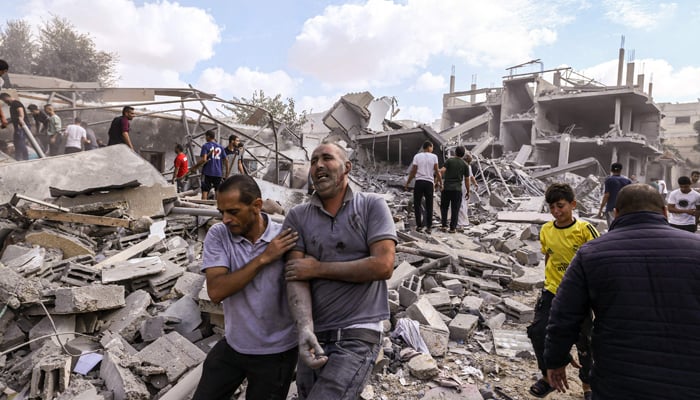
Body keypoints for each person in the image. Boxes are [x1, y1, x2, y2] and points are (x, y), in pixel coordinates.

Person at [545, 184, 700, 399]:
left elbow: (564, 315)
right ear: (665, 211)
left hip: (618, 380)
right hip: (689, 380)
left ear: (616, 213)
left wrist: (555, 360)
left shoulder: (591, 254)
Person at [283, 142, 397, 399]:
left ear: (347, 167)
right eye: (313, 161)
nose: (319, 165)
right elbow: (295, 274)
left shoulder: (371, 205)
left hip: (358, 331)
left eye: (327, 158)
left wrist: (318, 268)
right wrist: (304, 328)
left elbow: (383, 265)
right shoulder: (297, 216)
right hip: (316, 332)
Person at [192, 175, 299, 400]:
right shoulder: (219, 235)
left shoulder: (285, 237)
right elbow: (216, 291)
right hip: (234, 344)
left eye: (233, 211)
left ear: (257, 206)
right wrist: (264, 258)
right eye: (222, 213)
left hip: (276, 353)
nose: (226, 219)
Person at [527, 183, 599, 399]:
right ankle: (549, 376)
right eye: (552, 208)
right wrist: (548, 281)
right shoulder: (547, 230)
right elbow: (548, 257)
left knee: (585, 341)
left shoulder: (585, 230)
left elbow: (598, 261)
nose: (557, 212)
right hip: (553, 291)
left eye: (561, 206)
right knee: (538, 332)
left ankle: (588, 385)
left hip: (581, 295)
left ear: (573, 204)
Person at [404, 140, 442, 234]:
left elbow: (414, 170)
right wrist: (441, 182)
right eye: (432, 147)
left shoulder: (417, 156)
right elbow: (437, 171)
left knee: (417, 204)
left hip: (419, 182)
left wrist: (408, 182)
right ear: (429, 147)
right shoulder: (434, 157)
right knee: (429, 205)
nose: (432, 149)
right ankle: (429, 227)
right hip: (429, 183)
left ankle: (419, 226)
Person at [439, 146, 469, 233]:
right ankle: (452, 228)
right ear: (463, 155)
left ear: (455, 152)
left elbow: (442, 171)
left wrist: (439, 183)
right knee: (455, 209)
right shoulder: (465, 165)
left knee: (444, 207)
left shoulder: (449, 161)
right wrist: (468, 191)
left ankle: (444, 225)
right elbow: (467, 180)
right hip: (457, 190)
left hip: (447, 188)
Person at [192, 130, 226, 200]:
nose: (205, 138)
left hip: (208, 172)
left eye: (205, 137)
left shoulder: (206, 146)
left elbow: (204, 159)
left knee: (205, 190)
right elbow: (226, 160)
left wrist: (194, 167)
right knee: (217, 191)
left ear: (208, 136)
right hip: (218, 173)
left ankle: (203, 207)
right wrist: (226, 172)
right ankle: (217, 208)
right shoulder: (220, 147)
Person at [596, 162, 631, 227]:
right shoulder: (628, 181)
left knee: (612, 227)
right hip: (624, 209)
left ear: (611, 170)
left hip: (612, 208)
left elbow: (607, 195)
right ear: (621, 170)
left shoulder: (609, 180)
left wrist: (600, 209)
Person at [0, 92, 31, 160]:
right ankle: (22, 158)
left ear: (5, 98)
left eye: (4, 100)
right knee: (17, 142)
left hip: (22, 126)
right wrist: (7, 122)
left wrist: (21, 120)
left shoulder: (15, 103)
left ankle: (22, 158)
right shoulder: (12, 106)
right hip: (18, 127)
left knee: (20, 143)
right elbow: (14, 118)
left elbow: (20, 111)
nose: (5, 102)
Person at [457, 154, 478, 230]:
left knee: (461, 204)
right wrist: (475, 184)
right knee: (463, 204)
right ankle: (462, 222)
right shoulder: (468, 167)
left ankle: (460, 222)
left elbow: (471, 176)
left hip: (458, 186)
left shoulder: (459, 165)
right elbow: (470, 177)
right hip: (464, 186)